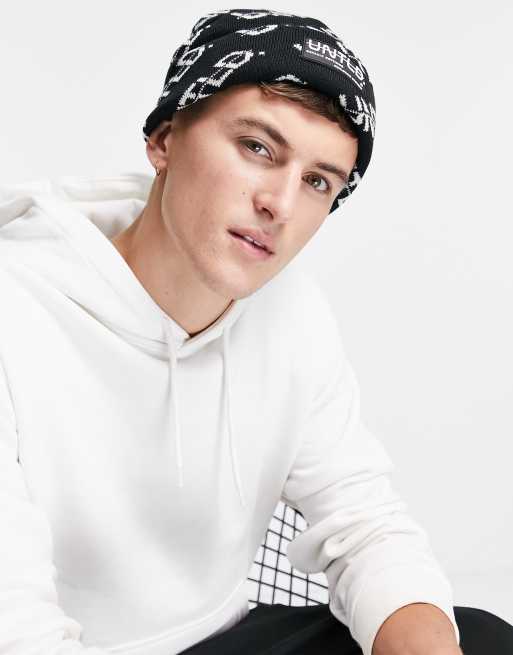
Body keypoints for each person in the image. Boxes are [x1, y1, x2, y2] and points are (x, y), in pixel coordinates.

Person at [0, 7, 511, 655]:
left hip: (224, 639)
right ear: (164, 138)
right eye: (257, 148)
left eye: (317, 181)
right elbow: (16, 628)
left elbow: (364, 524)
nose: (280, 204)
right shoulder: (16, 314)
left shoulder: (291, 312)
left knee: (478, 637)